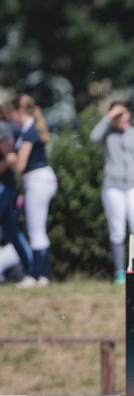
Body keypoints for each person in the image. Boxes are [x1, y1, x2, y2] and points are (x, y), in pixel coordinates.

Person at [90, 102, 134, 283]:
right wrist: (108, 116)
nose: (119, 117)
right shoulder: (107, 133)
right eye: (115, 114)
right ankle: (120, 272)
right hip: (113, 187)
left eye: (122, 113)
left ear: (129, 114)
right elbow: (93, 137)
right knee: (117, 230)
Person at [8, 94, 58, 287]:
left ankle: (37, 275)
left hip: (37, 180)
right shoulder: (30, 129)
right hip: (40, 179)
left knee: (36, 230)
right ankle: (42, 275)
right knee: (39, 229)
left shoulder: (29, 132)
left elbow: (20, 164)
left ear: (19, 111)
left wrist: (10, 159)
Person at [0, 105, 31, 281]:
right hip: (5, 185)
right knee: (12, 232)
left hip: (3, 185)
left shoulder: (2, 127)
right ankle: (31, 270)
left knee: (13, 232)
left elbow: (11, 158)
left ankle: (33, 270)